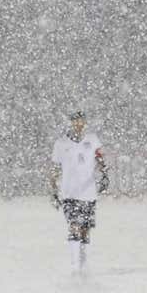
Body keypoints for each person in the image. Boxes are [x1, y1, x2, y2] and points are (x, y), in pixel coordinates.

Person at [49, 110, 110, 275]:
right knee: (74, 226)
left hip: (88, 193)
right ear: (70, 123)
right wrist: (54, 191)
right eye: (75, 121)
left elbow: (100, 159)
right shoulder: (61, 144)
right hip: (70, 193)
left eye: (81, 121)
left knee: (85, 230)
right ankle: (74, 266)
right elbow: (54, 169)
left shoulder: (92, 140)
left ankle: (83, 262)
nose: (78, 124)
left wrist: (104, 175)